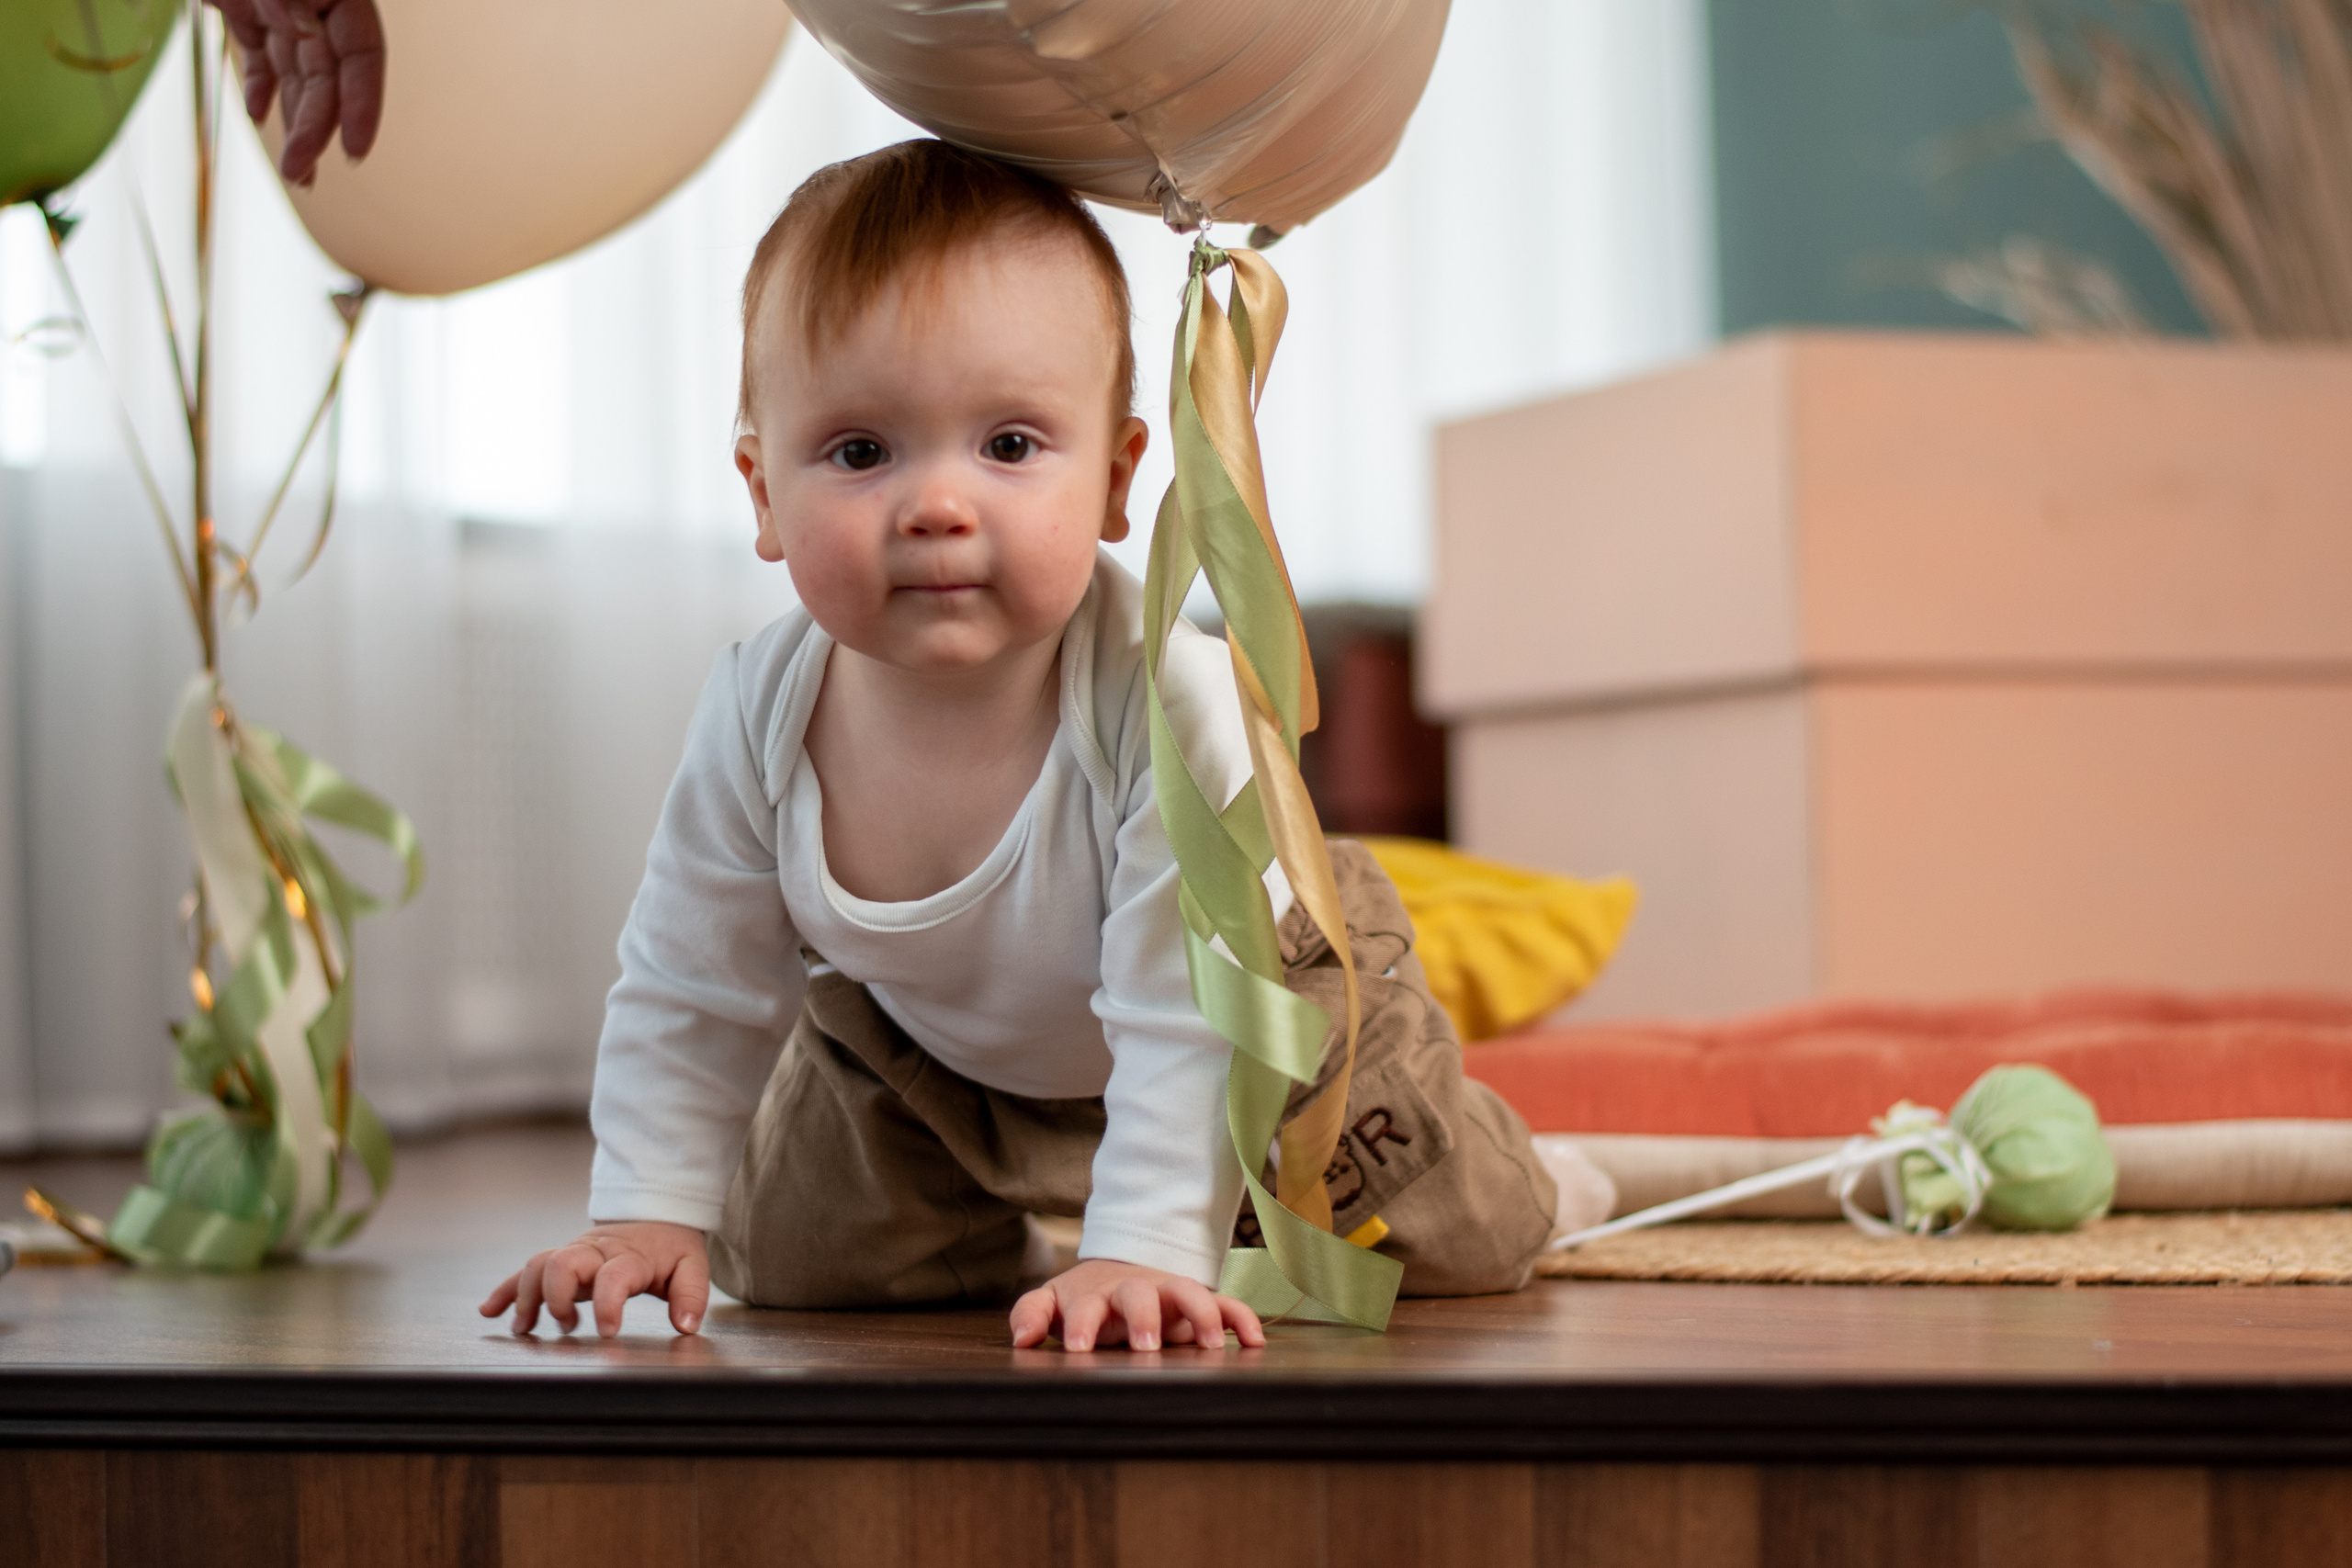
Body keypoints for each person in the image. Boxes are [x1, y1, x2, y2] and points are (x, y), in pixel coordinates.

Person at [478, 139, 1610, 1352]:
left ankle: (1559, 1176)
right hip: (934, 1048)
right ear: (763, 495)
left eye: (1010, 446)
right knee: (794, 1262)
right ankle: (1024, 1232)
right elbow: (689, 976)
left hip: (1257, 1007)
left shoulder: (1165, 696)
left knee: (1453, 1245)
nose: (938, 505)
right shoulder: (761, 707)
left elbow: (1183, 1008)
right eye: (862, 453)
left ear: (1121, 482)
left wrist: (1143, 1252)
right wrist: (643, 1209)